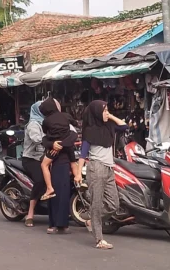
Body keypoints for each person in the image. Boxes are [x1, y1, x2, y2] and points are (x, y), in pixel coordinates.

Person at [77, 101, 127, 250]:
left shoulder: (109, 127)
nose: (107, 113)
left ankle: (92, 221)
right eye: (104, 111)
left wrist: (110, 115)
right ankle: (99, 239)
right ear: (97, 113)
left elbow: (124, 126)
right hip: (96, 168)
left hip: (109, 168)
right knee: (97, 204)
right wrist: (78, 173)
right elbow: (83, 154)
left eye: (107, 110)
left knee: (114, 204)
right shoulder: (89, 131)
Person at [39, 98, 80, 234]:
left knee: (58, 192)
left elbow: (73, 135)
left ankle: (58, 223)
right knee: (59, 192)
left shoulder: (47, 121)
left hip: (60, 158)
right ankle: (58, 223)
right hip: (63, 155)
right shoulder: (66, 118)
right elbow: (45, 139)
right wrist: (54, 144)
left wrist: (58, 145)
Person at [21, 102, 61, 227]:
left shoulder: (46, 123)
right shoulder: (33, 124)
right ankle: (30, 213)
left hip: (45, 158)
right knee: (40, 180)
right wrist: (52, 142)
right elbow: (37, 139)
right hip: (31, 159)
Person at [40, 102, 81, 201]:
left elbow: (45, 133)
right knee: (73, 162)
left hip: (56, 147)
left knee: (44, 165)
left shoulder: (46, 121)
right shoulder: (66, 115)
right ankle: (78, 180)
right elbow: (75, 123)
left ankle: (49, 188)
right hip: (68, 143)